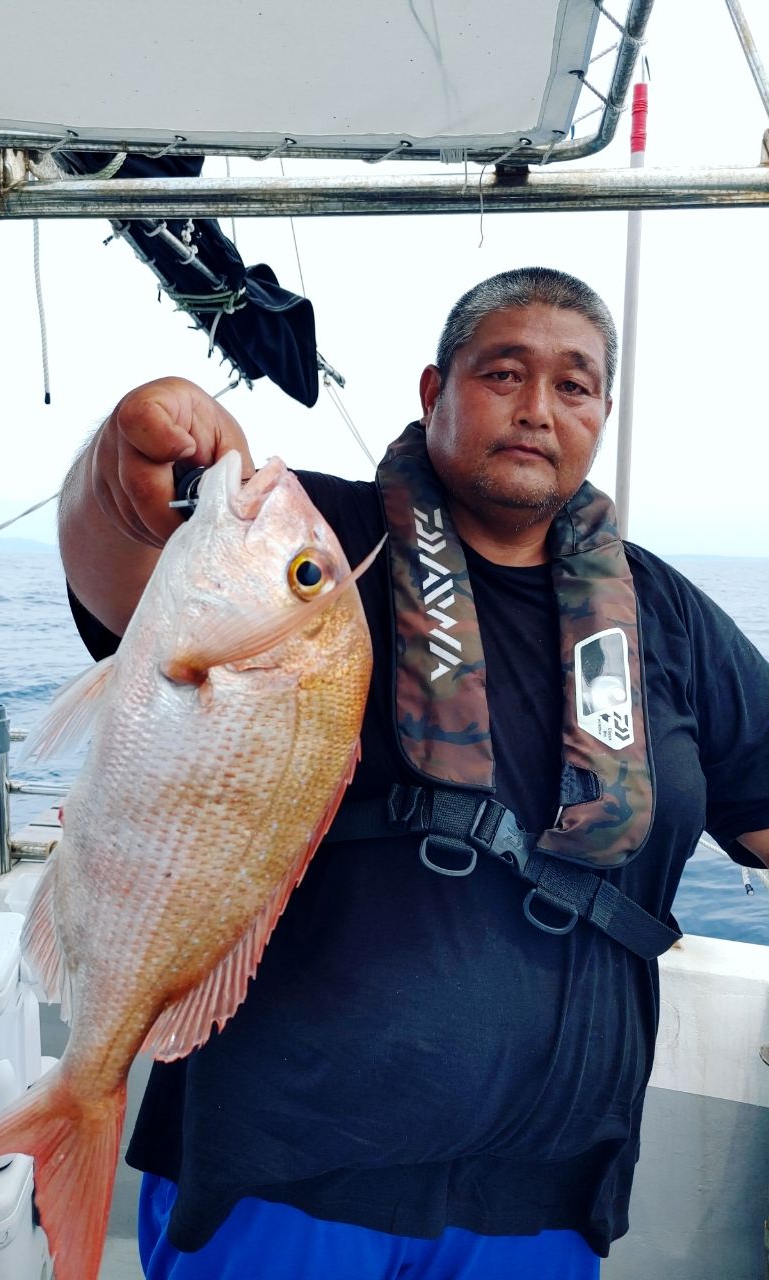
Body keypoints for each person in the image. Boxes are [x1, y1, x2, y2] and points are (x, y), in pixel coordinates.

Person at [58, 267, 769, 1279]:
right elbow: (121, 573)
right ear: (434, 390)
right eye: (503, 373)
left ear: (602, 412)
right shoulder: (319, 549)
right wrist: (125, 455)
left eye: (575, 386)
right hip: (284, 1171)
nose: (536, 409)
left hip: (545, 1193)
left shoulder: (667, 614)